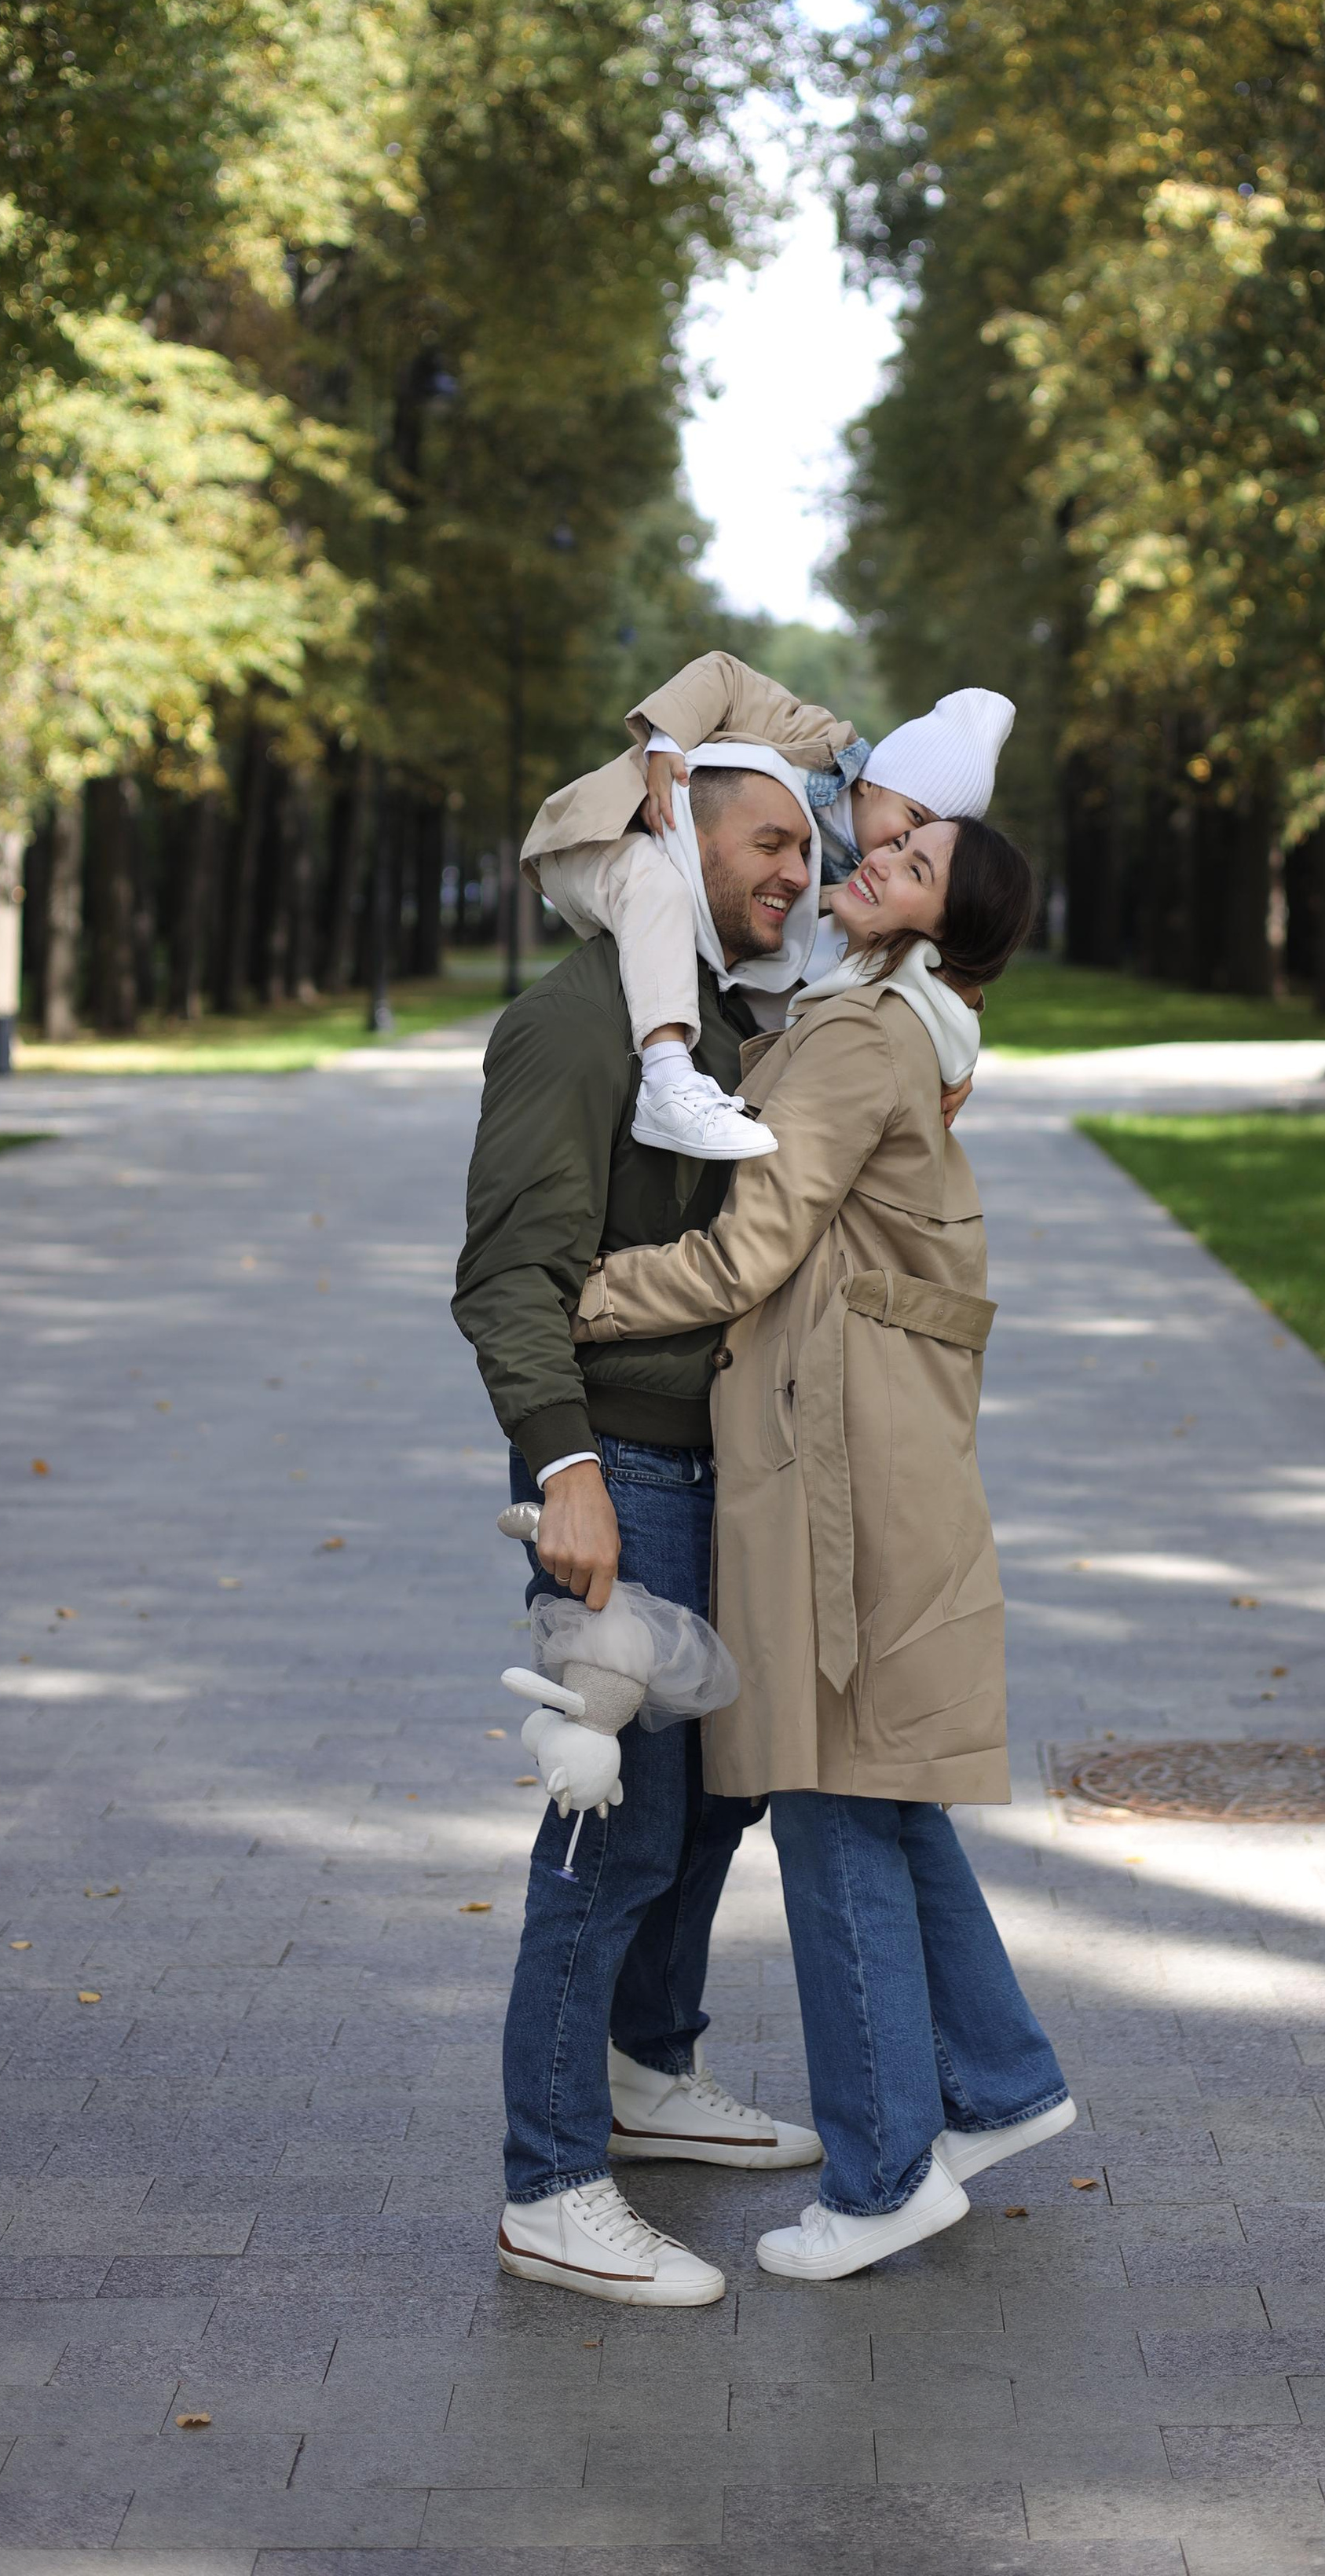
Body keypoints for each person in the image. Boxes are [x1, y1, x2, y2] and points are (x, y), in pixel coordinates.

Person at [570, 812, 1076, 2282]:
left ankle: (884, 2179)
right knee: (884, 1791)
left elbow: (749, 1253)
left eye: (909, 868)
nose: (872, 862)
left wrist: (584, 1293)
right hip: (855, 1438)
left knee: (832, 1792)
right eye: (889, 843)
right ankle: (1002, 2083)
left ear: (937, 928)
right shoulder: (863, 1014)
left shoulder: (857, 1041)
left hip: (839, 1463)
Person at [452, 747, 827, 2312]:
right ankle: (551, 2183)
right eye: (768, 843)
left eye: (810, 853)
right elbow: (504, 1278)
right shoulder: (570, 1022)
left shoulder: (728, 1024)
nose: (795, 874)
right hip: (629, 1468)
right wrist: (567, 1475)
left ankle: (644, 2069)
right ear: (674, 839)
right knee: (610, 1836)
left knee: (712, 1807)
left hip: (720, 1467)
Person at [525, 653, 1016, 1160]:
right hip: (609, 837)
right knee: (660, 885)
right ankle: (667, 1078)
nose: (898, 846)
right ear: (873, 782)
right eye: (910, 821)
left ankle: (734, 1110)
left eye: (919, 850)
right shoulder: (822, 743)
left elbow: (933, 945)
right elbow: (724, 677)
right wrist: (665, 742)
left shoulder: (859, 883)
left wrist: (953, 1050)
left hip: (677, 908)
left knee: (788, 971)